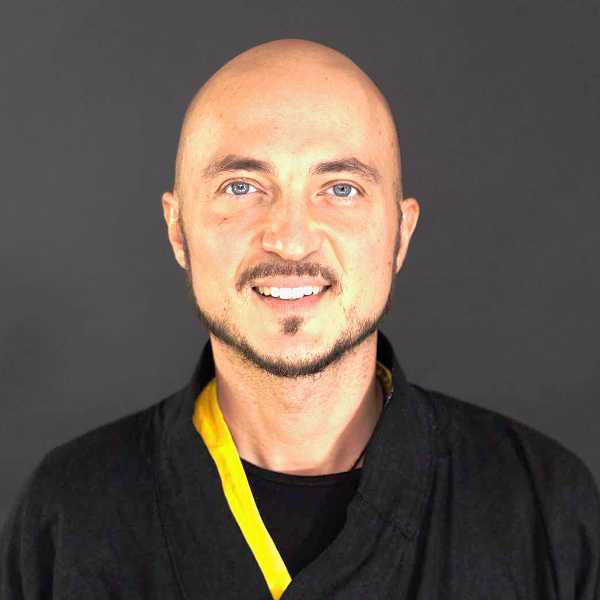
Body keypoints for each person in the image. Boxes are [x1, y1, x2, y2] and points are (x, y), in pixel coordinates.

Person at [1, 38, 598, 600]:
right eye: (242, 187)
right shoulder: (68, 513)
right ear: (178, 230)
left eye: (340, 189)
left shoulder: (544, 508)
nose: (289, 239)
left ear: (400, 233)